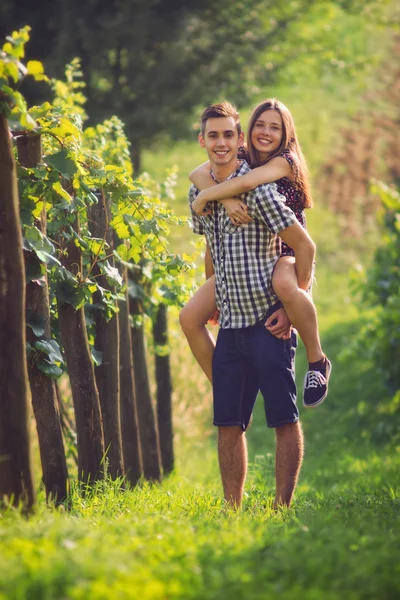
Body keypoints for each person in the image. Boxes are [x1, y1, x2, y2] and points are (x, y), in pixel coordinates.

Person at [181, 101, 316, 509]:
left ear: (240, 141)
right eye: (213, 135)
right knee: (227, 424)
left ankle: (281, 507)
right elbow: (211, 244)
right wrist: (213, 292)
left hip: (266, 324)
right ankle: (232, 509)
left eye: (228, 135)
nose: (221, 143)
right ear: (202, 140)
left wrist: (293, 308)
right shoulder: (199, 192)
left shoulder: (261, 189)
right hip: (231, 327)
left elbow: (304, 245)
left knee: (284, 418)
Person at [181, 99, 331, 408]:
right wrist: (224, 200)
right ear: (248, 133)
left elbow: (246, 182)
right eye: (260, 125)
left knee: (286, 287)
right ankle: (226, 386)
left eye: (274, 127)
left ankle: (317, 361)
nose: (265, 132)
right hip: (253, 254)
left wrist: (210, 196)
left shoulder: (286, 160)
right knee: (189, 317)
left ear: (286, 134)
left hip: (288, 249)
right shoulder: (244, 153)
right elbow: (198, 172)